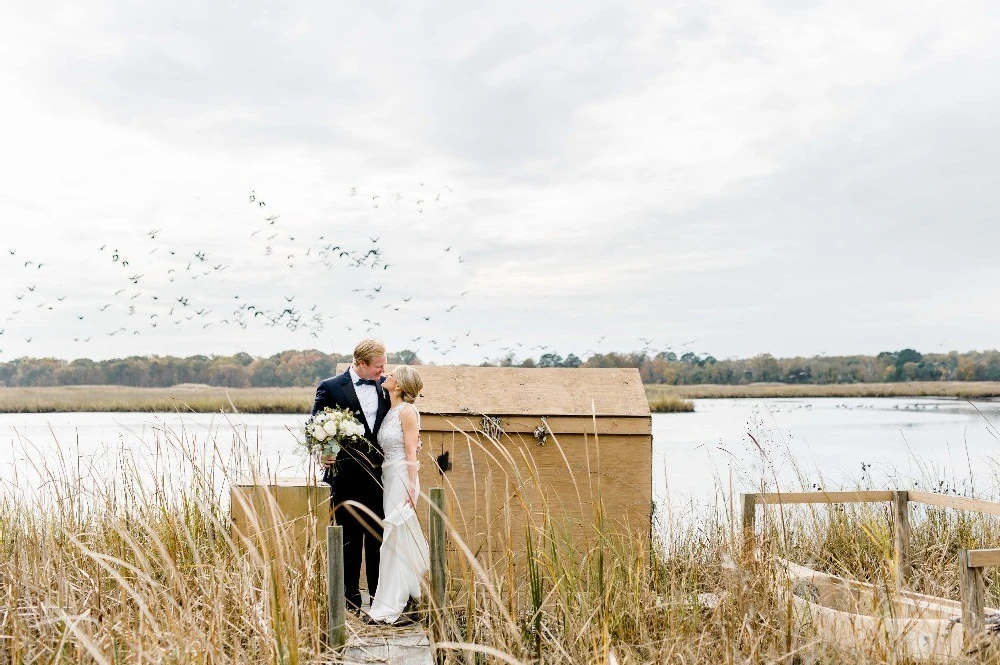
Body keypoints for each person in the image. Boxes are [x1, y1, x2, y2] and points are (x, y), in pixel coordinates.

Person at [312, 338, 389, 612]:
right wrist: (323, 453)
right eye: (378, 368)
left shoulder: (387, 386)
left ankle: (380, 601)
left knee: (379, 538)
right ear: (361, 363)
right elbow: (315, 427)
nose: (382, 372)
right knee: (349, 541)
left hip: (381, 477)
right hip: (344, 477)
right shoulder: (331, 387)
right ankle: (350, 602)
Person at [366, 365, 430, 625]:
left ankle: (401, 603)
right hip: (388, 477)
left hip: (403, 478)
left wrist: (413, 488)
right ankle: (404, 600)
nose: (386, 376)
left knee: (398, 536)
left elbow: (411, 451)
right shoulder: (391, 409)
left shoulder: (407, 411)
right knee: (396, 538)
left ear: (400, 385)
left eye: (391, 375)